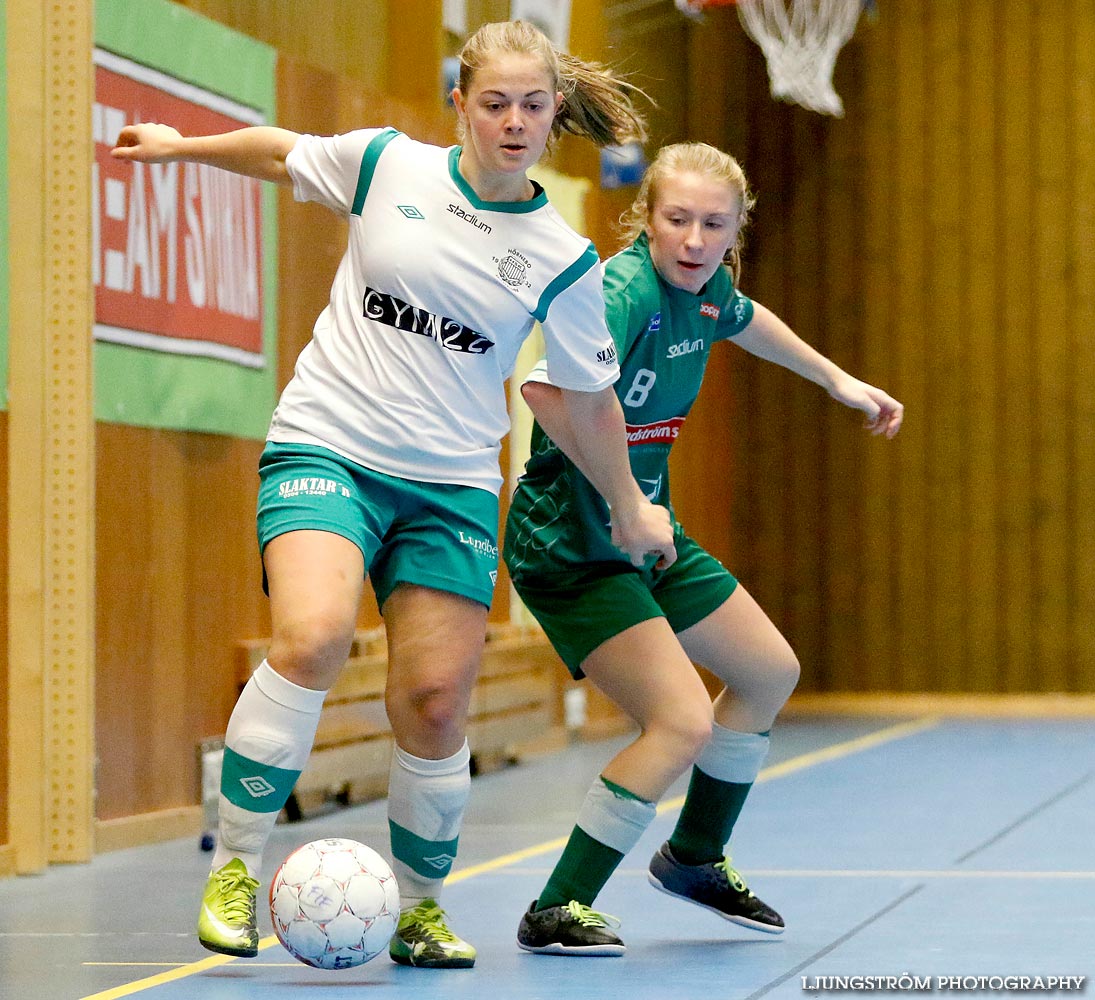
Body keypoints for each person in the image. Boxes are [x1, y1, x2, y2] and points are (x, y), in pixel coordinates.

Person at [111, 20, 676, 970]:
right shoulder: (386, 165)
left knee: (434, 700)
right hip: (328, 445)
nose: (512, 121)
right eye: (492, 102)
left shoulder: (563, 257)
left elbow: (587, 398)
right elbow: (280, 149)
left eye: (531, 105)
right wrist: (180, 148)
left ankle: (418, 908)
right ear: (459, 104)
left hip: (450, 483)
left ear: (552, 115)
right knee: (314, 635)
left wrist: (627, 501)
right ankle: (237, 872)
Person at [503, 141, 904, 955]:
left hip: (645, 526)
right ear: (646, 220)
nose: (692, 240)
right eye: (676, 220)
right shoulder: (619, 292)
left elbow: (748, 321)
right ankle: (556, 906)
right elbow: (543, 392)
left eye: (711, 225)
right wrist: (623, 502)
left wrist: (836, 380)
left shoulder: (710, 290)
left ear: (734, 233)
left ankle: (692, 857)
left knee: (766, 671)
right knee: (680, 720)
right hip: (571, 540)